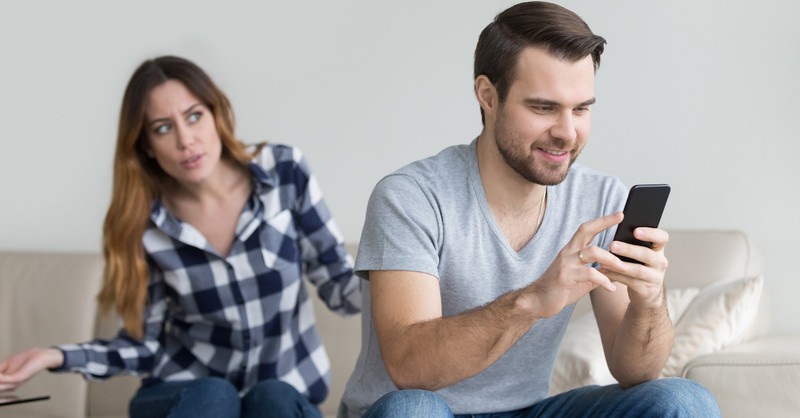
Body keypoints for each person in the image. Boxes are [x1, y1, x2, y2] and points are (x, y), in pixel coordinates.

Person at [339, 2, 720, 417]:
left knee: (684, 400)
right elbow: (409, 367)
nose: (567, 133)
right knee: (412, 411)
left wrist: (649, 301)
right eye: (543, 108)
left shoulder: (601, 200)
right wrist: (533, 300)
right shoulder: (411, 198)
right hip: (424, 410)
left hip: (530, 410)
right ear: (488, 96)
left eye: (581, 108)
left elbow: (635, 371)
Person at [0, 55, 360, 418]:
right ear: (146, 146)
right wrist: (55, 356)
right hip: (189, 397)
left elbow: (340, 289)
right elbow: (141, 346)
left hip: (281, 396)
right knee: (215, 395)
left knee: (274, 397)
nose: (186, 140)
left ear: (216, 113)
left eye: (193, 116)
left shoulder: (284, 172)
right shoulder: (144, 226)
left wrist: (402, 272)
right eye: (162, 128)